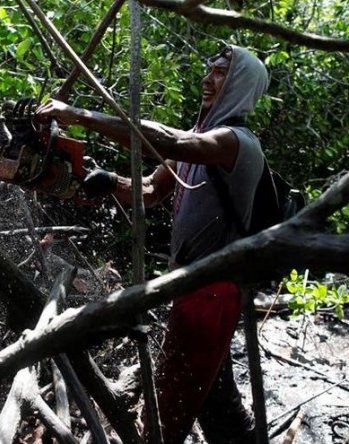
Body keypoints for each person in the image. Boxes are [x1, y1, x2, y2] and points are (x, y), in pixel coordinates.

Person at [35, 45, 269, 443]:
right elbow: (148, 189)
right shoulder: (201, 139)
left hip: (211, 292)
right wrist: (109, 181)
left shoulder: (236, 142)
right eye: (209, 69)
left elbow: (170, 142)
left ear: (241, 85)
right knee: (212, 393)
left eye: (219, 74)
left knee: (172, 399)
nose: (207, 80)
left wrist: (80, 116)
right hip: (191, 284)